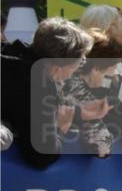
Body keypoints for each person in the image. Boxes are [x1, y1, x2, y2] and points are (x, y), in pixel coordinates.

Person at [0, 17, 103, 168]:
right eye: (79, 61)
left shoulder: (11, 54)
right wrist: (60, 128)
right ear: (59, 65)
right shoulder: (36, 81)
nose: (77, 69)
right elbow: (41, 157)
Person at [61, 31, 122, 157]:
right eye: (113, 67)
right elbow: (102, 147)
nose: (114, 73)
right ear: (96, 68)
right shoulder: (75, 89)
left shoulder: (64, 79)